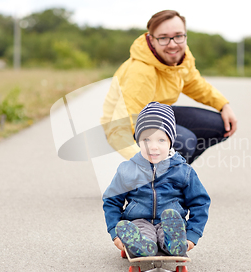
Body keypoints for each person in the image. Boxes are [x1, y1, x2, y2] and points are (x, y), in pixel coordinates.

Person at [100, 10, 238, 164]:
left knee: (220, 125)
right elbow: (120, 127)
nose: (173, 44)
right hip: (127, 125)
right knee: (184, 140)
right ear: (151, 40)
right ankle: (148, 181)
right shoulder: (141, 72)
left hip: (157, 113)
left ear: (185, 35)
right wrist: (138, 163)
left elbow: (193, 82)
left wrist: (223, 105)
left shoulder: (181, 56)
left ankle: (173, 176)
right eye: (163, 38)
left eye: (178, 36)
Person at [102, 102, 211, 256]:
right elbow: (112, 200)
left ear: (170, 142)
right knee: (143, 234)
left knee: (169, 231)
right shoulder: (128, 170)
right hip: (139, 221)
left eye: (161, 140)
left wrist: (192, 235)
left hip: (171, 222)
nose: (153, 147)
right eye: (147, 140)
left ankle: (175, 242)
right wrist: (115, 232)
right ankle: (140, 244)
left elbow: (200, 202)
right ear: (138, 141)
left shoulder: (183, 171)